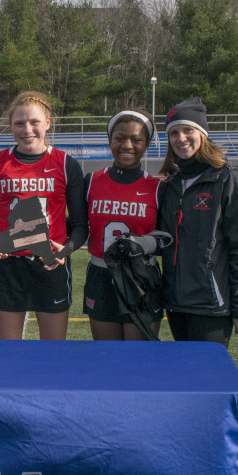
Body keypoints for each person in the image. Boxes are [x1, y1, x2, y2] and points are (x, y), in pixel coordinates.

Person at [0, 91, 88, 340]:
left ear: (47, 122)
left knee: (53, 354)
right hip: (8, 267)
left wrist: (65, 251)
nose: (27, 129)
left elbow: (81, 225)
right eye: (19, 123)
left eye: (34, 122)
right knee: (8, 354)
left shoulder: (66, 164)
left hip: (50, 265)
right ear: (11, 126)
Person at [157, 97, 238, 346]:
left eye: (187, 130)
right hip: (176, 303)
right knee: (185, 376)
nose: (181, 138)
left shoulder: (228, 179)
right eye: (173, 133)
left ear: (202, 133)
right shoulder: (170, 185)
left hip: (211, 304)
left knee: (209, 381)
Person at [83, 110, 162, 340]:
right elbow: (75, 225)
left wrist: (144, 245)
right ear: (110, 140)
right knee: (108, 357)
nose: (127, 145)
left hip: (142, 276)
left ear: (146, 143)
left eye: (136, 139)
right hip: (101, 274)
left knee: (138, 360)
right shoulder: (91, 181)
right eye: (119, 138)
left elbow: (168, 240)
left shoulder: (158, 188)